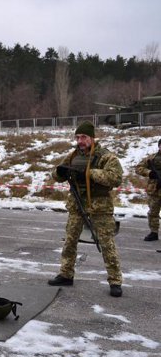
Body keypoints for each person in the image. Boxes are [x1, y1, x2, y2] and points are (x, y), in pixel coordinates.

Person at [48, 121, 124, 297]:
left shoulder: (106, 157)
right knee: (70, 241)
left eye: (83, 137)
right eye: (77, 137)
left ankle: (115, 280)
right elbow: (56, 173)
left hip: (99, 207)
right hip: (77, 204)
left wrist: (89, 173)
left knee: (107, 244)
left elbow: (115, 178)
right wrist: (59, 173)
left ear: (92, 138)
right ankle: (66, 274)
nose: (80, 141)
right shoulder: (74, 155)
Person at [135, 138, 161, 241]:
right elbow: (138, 168)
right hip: (154, 190)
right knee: (153, 212)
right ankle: (154, 232)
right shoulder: (151, 159)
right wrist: (149, 173)